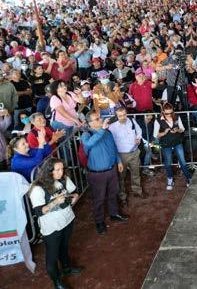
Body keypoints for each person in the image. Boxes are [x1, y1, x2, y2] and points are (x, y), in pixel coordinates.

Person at [29, 157, 83, 289]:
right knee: (52, 255)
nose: (61, 172)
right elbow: (39, 212)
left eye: (62, 169)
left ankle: (67, 268)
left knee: (64, 247)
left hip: (67, 220)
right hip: (52, 227)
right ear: (48, 171)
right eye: (57, 170)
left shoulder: (63, 179)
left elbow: (74, 192)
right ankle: (57, 282)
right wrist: (55, 202)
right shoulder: (37, 188)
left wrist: (75, 196)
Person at [81, 110, 128, 235]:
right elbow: (89, 144)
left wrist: (118, 161)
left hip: (111, 169)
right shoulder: (86, 135)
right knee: (99, 198)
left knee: (113, 193)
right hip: (97, 173)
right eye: (97, 119)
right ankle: (99, 221)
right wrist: (102, 130)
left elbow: (113, 148)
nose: (101, 119)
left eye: (100, 117)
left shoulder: (107, 132)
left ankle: (114, 214)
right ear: (90, 123)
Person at [107, 106, 145, 203]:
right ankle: (122, 196)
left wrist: (138, 138)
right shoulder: (112, 127)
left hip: (134, 152)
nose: (123, 117)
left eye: (124, 115)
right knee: (121, 177)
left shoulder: (131, 120)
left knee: (136, 173)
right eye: (120, 116)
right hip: (121, 155)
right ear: (116, 116)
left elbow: (139, 130)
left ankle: (137, 191)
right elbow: (110, 142)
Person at [153, 103, 191, 190]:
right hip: (166, 144)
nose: (169, 115)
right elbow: (155, 135)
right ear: (163, 112)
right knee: (168, 163)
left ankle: (188, 178)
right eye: (167, 113)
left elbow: (182, 129)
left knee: (182, 161)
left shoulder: (177, 117)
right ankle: (170, 179)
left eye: (171, 113)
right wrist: (164, 132)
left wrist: (178, 130)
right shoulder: (158, 120)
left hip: (177, 142)